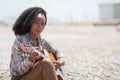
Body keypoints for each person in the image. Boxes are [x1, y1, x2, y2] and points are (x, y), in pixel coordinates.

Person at [10, 6, 65, 80]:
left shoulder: (41, 40)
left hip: (35, 76)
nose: (39, 26)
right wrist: (29, 59)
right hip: (20, 78)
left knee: (58, 74)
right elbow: (19, 71)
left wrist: (61, 60)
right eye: (36, 22)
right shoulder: (20, 41)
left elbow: (56, 51)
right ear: (30, 23)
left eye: (42, 23)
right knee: (46, 63)